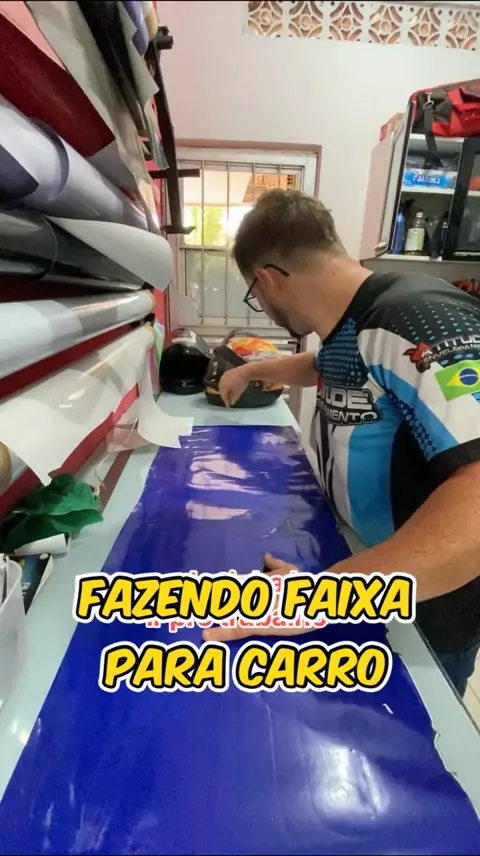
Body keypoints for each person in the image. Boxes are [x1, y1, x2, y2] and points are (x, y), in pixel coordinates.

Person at [203, 188, 480, 698]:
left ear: (268, 279)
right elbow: (328, 365)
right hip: (363, 573)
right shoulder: (352, 325)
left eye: (254, 294)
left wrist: (321, 600)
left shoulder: (417, 318)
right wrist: (254, 370)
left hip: (424, 608)